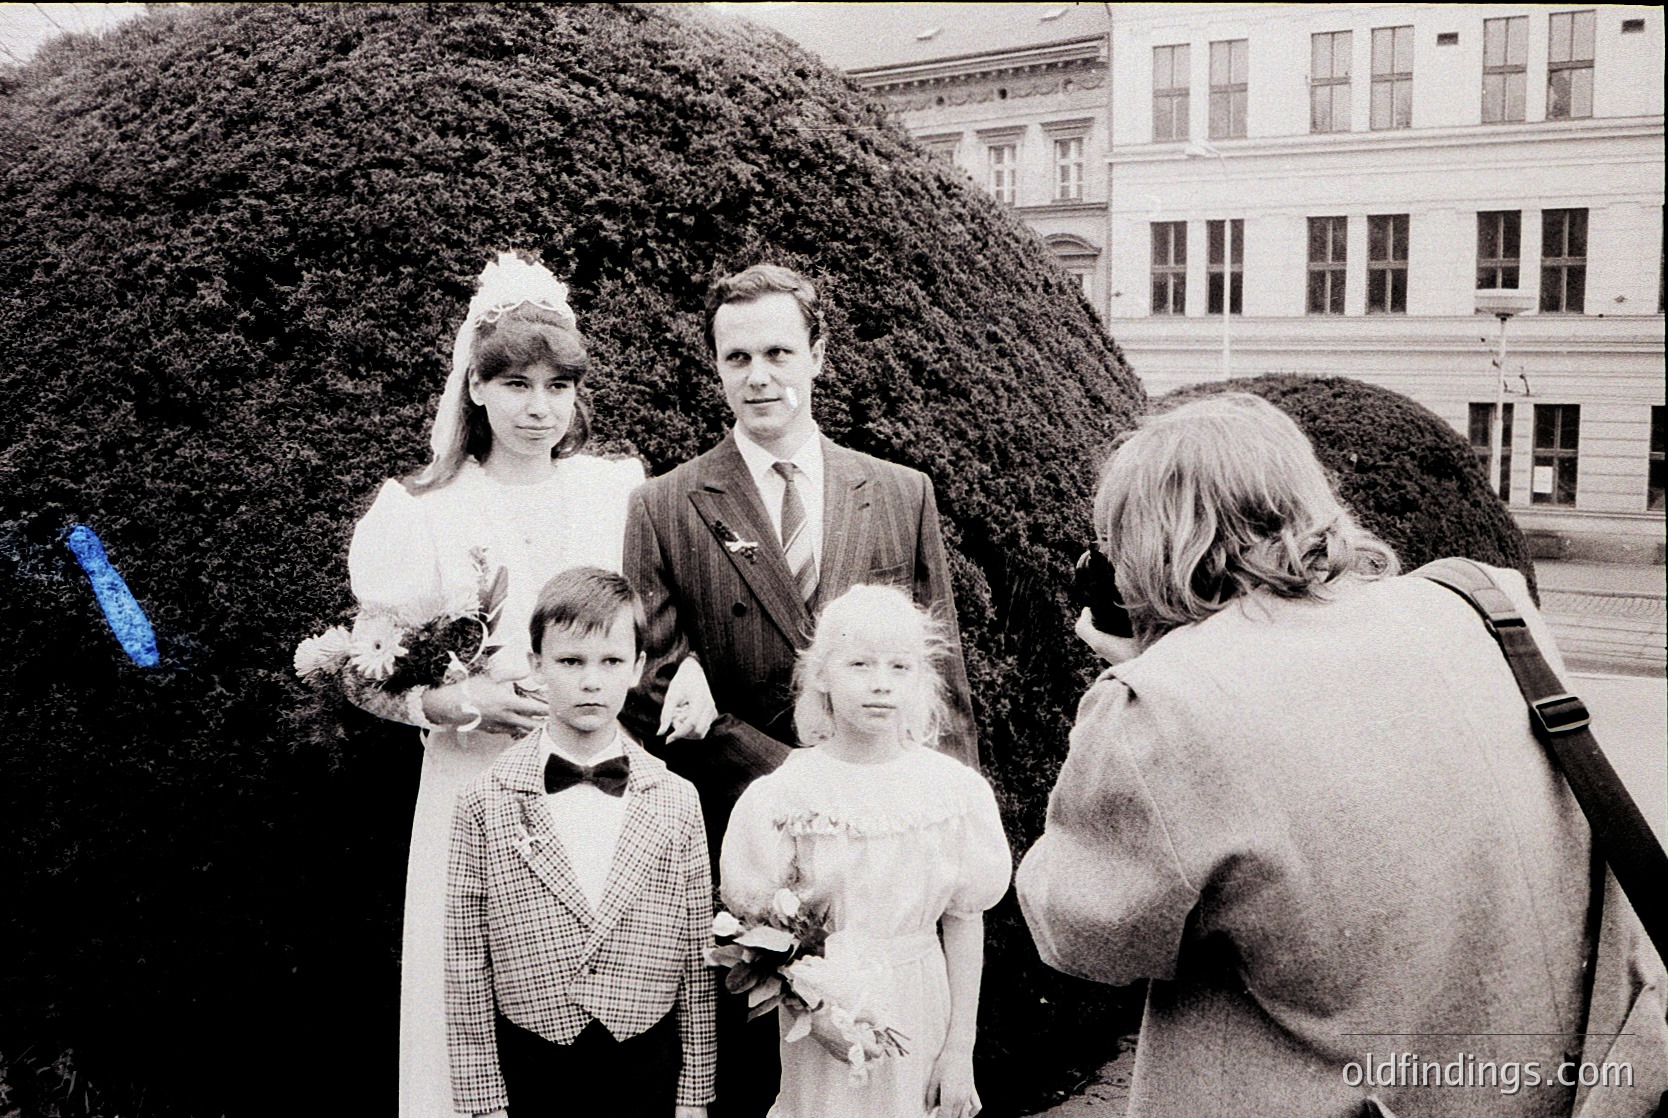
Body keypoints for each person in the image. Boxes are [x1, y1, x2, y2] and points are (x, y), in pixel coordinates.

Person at [1017, 394, 1668, 1117]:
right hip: (1570, 1091)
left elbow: (1087, 937)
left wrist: (1141, 678)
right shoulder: (1485, 604)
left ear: (1144, 545)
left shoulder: (1159, 709)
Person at [621, 262, 981, 1115]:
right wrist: (803, 777)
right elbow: (650, 686)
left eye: (780, 351)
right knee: (769, 1087)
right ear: (715, 366)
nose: (759, 376)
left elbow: (943, 677)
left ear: (819, 355)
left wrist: (951, 819)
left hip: (892, 869)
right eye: (736, 357)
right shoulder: (667, 505)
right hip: (756, 868)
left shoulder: (898, 493)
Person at [346, 252, 648, 1118]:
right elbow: (362, 674)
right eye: (515, 383)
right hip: (470, 783)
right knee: (469, 995)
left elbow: (660, 628)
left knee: (591, 992)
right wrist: (458, 703)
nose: (537, 406)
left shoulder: (615, 493)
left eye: (557, 385)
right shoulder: (422, 510)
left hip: (594, 779)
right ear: (474, 387)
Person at [720, 584, 1010, 1118]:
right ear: (823, 675)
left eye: (899, 668)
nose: (881, 686)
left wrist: (959, 1051)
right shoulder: (787, 793)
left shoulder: (951, 792)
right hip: (822, 1009)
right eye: (859, 664)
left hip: (920, 1006)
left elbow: (965, 921)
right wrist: (817, 1011)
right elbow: (758, 928)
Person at [445, 567, 714, 1118]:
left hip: (648, 1060)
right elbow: (466, 962)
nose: (591, 681)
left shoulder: (676, 798)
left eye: (611, 661)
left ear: (638, 667)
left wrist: (694, 1096)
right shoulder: (485, 799)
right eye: (571, 661)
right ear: (536, 665)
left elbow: (696, 957)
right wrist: (483, 1102)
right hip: (532, 1060)